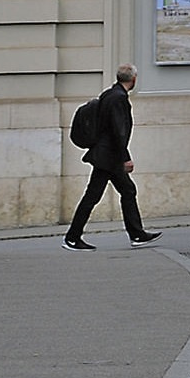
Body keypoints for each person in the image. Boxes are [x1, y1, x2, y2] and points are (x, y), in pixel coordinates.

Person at [66, 64, 160, 250]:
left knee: (127, 190)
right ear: (133, 80)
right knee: (94, 196)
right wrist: (126, 157)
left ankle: (137, 234)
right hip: (108, 157)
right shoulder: (118, 98)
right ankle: (72, 237)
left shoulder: (110, 94)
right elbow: (118, 131)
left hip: (106, 155)